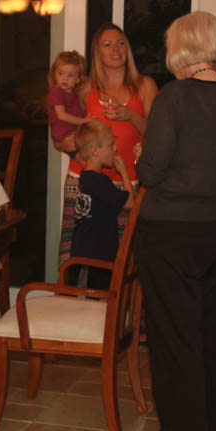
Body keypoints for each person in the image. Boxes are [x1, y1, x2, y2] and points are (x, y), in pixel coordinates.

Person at [132, 11, 216, 431]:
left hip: (174, 231)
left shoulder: (174, 97)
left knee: (174, 339)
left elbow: (151, 172)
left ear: (179, 47)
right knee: (210, 332)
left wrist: (143, 156)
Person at [59, 23, 158, 264]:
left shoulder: (145, 86)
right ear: (97, 52)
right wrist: (70, 148)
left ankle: (115, 304)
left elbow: (157, 136)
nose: (115, 49)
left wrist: (132, 116)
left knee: (122, 258)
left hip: (126, 184)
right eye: (107, 44)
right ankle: (72, 300)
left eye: (121, 43)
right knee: (77, 254)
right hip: (84, 182)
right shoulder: (84, 88)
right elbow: (60, 132)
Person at [69, 120, 133, 289]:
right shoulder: (98, 181)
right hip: (93, 262)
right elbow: (130, 204)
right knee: (89, 306)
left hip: (87, 258)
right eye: (111, 145)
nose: (116, 149)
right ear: (94, 151)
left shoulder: (87, 177)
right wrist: (124, 172)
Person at [47, 50, 89, 158]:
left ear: (78, 78)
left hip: (74, 135)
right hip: (65, 137)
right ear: (54, 74)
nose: (64, 78)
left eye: (70, 75)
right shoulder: (57, 92)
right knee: (87, 164)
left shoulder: (74, 94)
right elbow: (61, 115)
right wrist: (83, 121)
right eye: (60, 73)